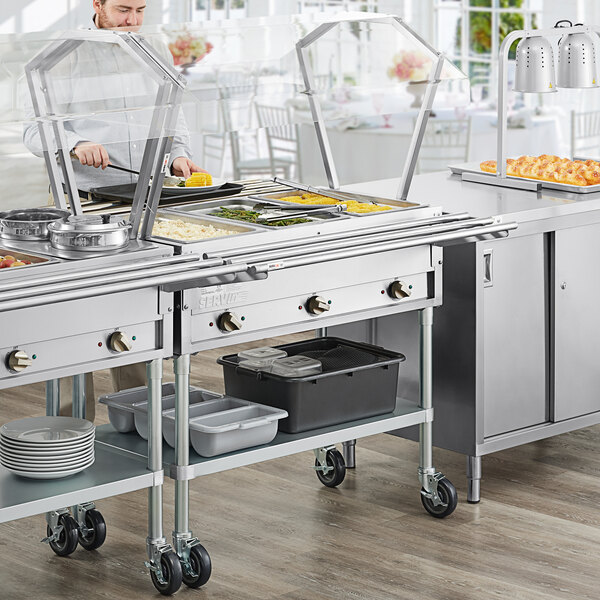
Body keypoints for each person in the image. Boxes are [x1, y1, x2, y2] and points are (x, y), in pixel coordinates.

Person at [22, 0, 205, 419]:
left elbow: (170, 115)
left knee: (135, 307)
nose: (133, 21)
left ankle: (136, 415)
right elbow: (34, 130)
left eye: (141, 10)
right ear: (97, 5)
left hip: (142, 199)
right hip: (80, 202)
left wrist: (177, 154)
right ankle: (70, 425)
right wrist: (73, 143)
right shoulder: (60, 52)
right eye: (124, 10)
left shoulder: (151, 46)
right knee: (77, 312)